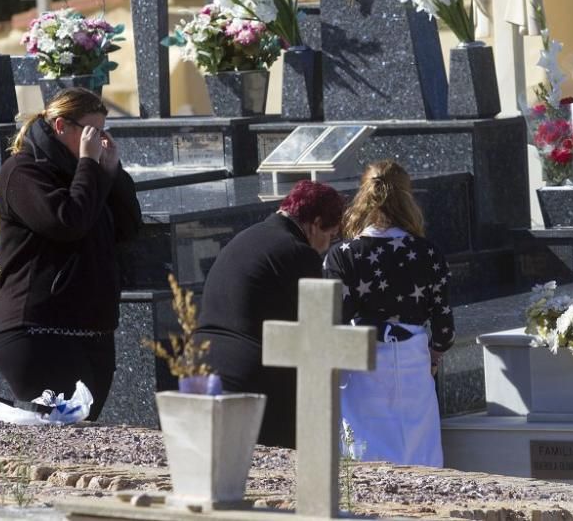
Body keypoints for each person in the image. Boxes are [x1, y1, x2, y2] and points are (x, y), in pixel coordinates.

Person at [0, 87, 142, 421]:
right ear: (61, 127)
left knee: (81, 428)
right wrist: (89, 164)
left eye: (103, 132)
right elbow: (68, 221)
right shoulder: (23, 172)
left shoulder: (88, 175)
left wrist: (112, 175)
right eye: (91, 132)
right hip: (37, 330)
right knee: (60, 429)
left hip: (91, 328)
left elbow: (128, 229)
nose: (98, 141)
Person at [323, 160, 455, 467]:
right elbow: (443, 323)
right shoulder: (427, 252)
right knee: (418, 447)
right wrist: (435, 353)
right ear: (408, 199)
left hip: (360, 361)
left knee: (364, 447)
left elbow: (334, 320)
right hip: (411, 358)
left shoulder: (343, 254)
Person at [195, 180, 344, 448]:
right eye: (330, 235)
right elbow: (316, 330)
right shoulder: (298, 253)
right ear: (316, 222)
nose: (326, 245)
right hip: (253, 379)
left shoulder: (246, 237)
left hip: (199, 365)